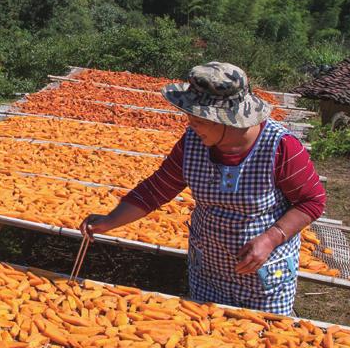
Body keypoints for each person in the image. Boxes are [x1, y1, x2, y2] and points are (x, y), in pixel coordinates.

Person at [82, 62, 326, 316]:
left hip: (263, 276)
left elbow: (312, 201)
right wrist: (110, 221)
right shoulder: (193, 142)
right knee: (207, 331)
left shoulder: (280, 147)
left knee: (261, 338)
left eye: (198, 119)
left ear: (226, 121)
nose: (191, 125)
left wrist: (270, 238)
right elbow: (157, 188)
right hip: (208, 270)